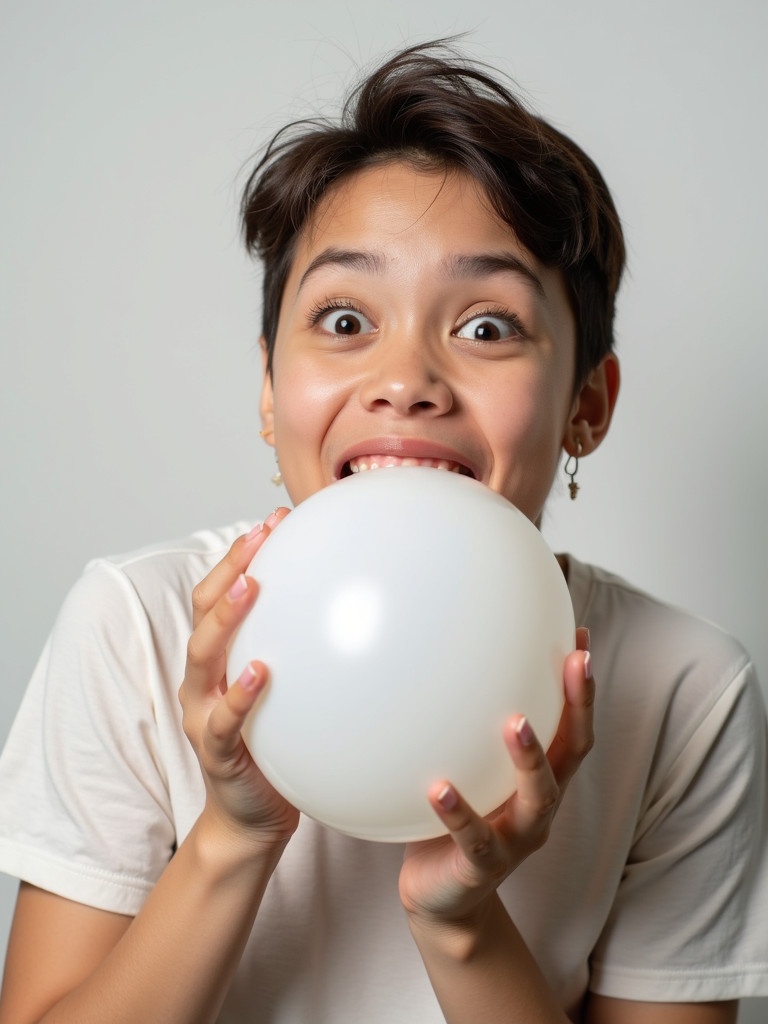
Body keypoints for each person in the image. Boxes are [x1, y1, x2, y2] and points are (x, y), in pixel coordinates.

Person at [0, 39, 766, 1024]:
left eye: (487, 326)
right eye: (347, 319)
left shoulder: (682, 689)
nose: (406, 379)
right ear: (270, 390)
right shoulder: (135, 626)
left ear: (588, 403)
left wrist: (460, 920)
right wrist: (233, 835)